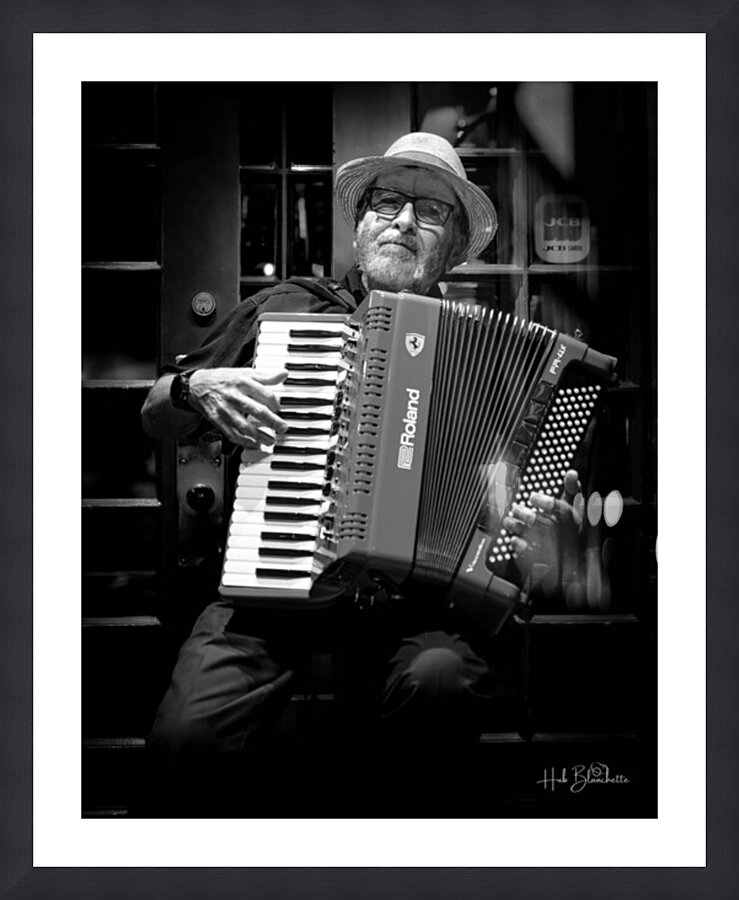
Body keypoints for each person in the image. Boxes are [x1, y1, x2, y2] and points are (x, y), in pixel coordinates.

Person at [140, 132, 581, 817]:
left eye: (429, 211)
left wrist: (524, 529)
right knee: (185, 735)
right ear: (360, 221)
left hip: (416, 604)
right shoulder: (287, 308)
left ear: (454, 243)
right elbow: (153, 413)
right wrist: (193, 390)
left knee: (441, 686)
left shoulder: (494, 354)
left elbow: (506, 514)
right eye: (387, 201)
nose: (403, 219)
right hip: (275, 584)